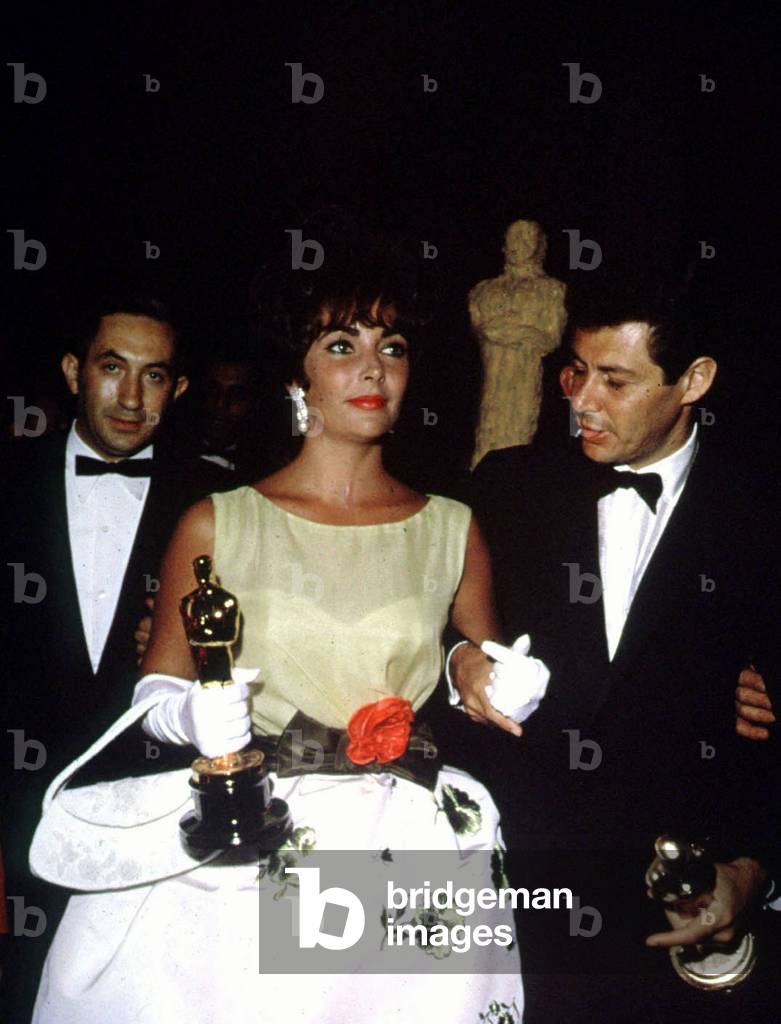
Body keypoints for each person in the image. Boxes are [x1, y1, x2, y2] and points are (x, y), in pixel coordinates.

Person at [31, 239, 528, 1023]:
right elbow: (157, 686)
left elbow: (480, 665)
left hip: (402, 839)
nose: (372, 369)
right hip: (254, 832)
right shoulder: (218, 520)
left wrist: (491, 675)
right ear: (300, 378)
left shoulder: (453, 527)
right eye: (342, 346)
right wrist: (192, 713)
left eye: (390, 348)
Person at [445, 271, 780, 1022]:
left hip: (675, 918)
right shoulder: (507, 485)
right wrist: (459, 661)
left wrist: (752, 872)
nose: (581, 400)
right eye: (576, 371)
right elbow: (434, 624)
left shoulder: (761, 513)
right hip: (512, 893)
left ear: (693, 380)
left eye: (615, 380)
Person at [1, 294, 231, 1020]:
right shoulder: (5, 480)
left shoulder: (219, 502)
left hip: (152, 821)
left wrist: (192, 657)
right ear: (73, 370)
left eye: (155, 376)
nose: (132, 398)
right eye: (112, 368)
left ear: (180, 388)